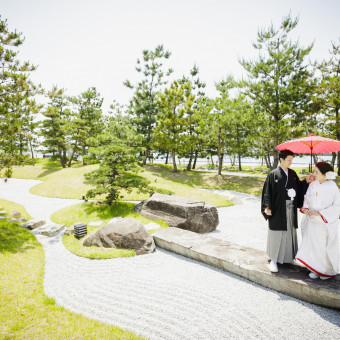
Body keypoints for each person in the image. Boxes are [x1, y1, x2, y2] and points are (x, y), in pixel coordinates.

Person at [261, 149, 312, 272]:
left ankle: (289, 257)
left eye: (292, 160)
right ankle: (274, 259)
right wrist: (267, 207)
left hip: (291, 207)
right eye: (289, 159)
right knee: (277, 232)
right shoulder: (273, 174)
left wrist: (306, 181)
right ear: (281, 159)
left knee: (290, 232)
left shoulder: (293, 174)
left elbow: (299, 188)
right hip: (278, 208)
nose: (291, 162)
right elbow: (267, 191)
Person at [296, 162, 340, 279]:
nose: (314, 174)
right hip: (312, 219)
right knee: (312, 246)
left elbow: (337, 206)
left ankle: (326, 271)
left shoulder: (332, 187)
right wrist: (306, 209)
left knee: (323, 247)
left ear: (325, 174)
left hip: (324, 221)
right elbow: (307, 197)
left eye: (317, 172)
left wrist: (320, 213)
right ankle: (314, 268)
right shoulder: (313, 184)